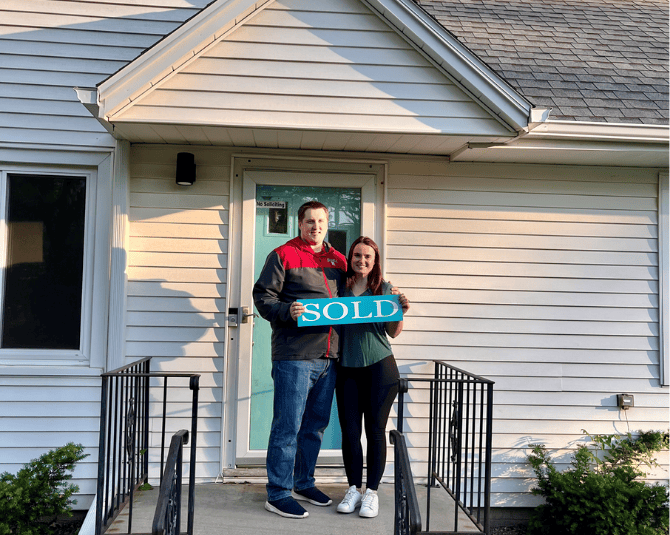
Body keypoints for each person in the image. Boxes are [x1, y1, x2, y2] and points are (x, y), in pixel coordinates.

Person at [253, 201, 347, 519]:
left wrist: (390, 295)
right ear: (300, 223)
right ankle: (278, 492)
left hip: (329, 356)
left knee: (314, 427)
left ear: (327, 222)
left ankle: (302, 482)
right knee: (287, 427)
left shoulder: (338, 260)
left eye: (320, 221)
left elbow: (354, 299)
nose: (315, 226)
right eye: (309, 221)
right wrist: (286, 311)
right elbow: (263, 296)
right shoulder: (282, 254)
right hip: (294, 357)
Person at [334, 236, 410, 519]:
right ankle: (353, 488)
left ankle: (372, 493)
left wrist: (400, 310)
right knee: (350, 433)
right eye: (357, 255)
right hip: (347, 369)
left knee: (375, 432)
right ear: (350, 257)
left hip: (380, 367)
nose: (361, 261)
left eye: (367, 256)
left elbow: (393, 332)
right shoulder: (339, 287)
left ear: (375, 261)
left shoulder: (385, 288)